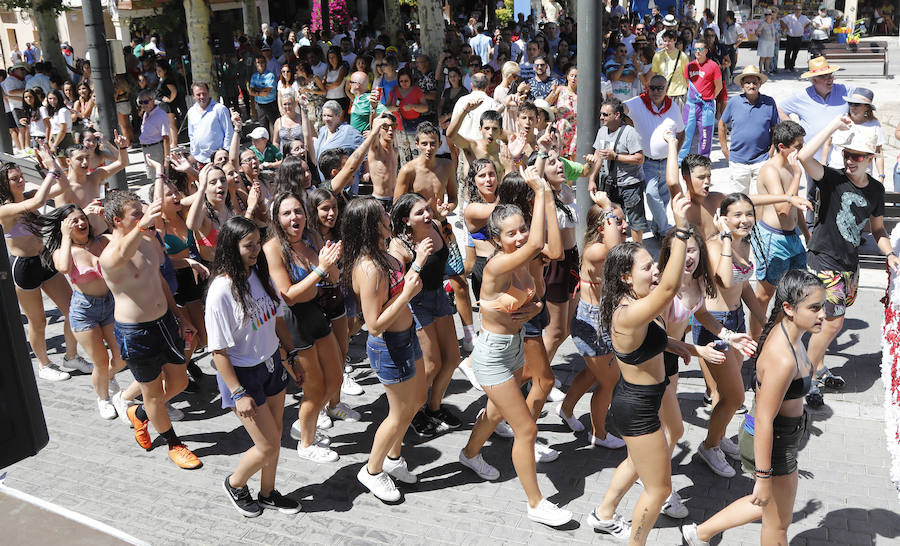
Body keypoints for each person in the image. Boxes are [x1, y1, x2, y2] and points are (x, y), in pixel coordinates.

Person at [458, 166, 573, 527]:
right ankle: (536, 503)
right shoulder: (497, 266)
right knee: (526, 429)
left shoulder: (525, 263)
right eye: (512, 233)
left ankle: (469, 453)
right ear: (496, 237)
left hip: (515, 348)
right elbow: (540, 248)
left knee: (494, 413)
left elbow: (540, 290)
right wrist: (541, 192)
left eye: (523, 229)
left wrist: (530, 309)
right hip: (491, 355)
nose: (521, 237)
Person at [683, 270, 826, 546]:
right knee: (776, 525)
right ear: (788, 308)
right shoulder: (782, 357)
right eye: (815, 307)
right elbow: (763, 420)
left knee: (771, 512)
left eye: (823, 306)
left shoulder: (789, 334)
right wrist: (762, 477)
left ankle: (699, 534)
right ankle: (699, 534)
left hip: (783, 438)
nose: (822, 314)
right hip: (774, 441)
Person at [587, 192, 691, 543]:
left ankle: (603, 514)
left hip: (651, 396)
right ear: (627, 279)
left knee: (647, 455)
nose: (655, 270)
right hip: (637, 407)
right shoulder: (629, 313)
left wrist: (693, 348)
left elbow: (658, 340)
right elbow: (672, 288)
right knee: (658, 489)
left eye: (652, 264)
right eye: (647, 267)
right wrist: (680, 230)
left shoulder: (638, 300)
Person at [797, 116, 900, 408]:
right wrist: (831, 127)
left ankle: (817, 367)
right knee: (832, 322)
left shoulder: (875, 190)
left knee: (826, 323)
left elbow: (877, 229)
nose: (850, 161)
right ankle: (807, 378)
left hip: (849, 266)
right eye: (846, 155)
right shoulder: (832, 179)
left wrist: (889, 253)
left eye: (856, 156)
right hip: (822, 259)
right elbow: (803, 156)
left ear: (869, 159)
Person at [208, 216, 302, 518]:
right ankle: (235, 483)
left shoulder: (258, 274)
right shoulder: (221, 291)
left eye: (257, 244)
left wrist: (292, 355)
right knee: (266, 445)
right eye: (248, 246)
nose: (255, 251)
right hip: (243, 375)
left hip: (273, 363)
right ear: (231, 248)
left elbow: (275, 320)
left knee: (276, 438)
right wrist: (237, 393)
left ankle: (268, 493)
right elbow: (218, 350)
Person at [101, 187, 201, 469]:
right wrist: (144, 226)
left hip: (165, 322)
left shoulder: (149, 241)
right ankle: (173, 443)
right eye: (136, 214)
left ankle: (140, 414)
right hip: (136, 333)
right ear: (117, 220)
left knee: (179, 382)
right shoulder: (109, 255)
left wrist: (179, 315)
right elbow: (120, 254)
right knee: (154, 393)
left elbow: (158, 280)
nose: (144, 217)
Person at [342, 197, 431, 501]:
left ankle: (393, 459)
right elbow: (374, 324)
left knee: (417, 399)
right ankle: (372, 470)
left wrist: (417, 264)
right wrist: (407, 294)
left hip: (406, 337)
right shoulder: (367, 268)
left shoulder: (386, 254)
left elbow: (399, 289)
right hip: (388, 346)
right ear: (370, 225)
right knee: (399, 412)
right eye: (382, 215)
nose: (389, 216)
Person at [264, 191, 350, 462]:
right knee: (313, 388)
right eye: (287, 213)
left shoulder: (311, 238)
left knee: (335, 379)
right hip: (292, 319)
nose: (294, 217)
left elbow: (332, 278)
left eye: (298, 211)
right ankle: (306, 442)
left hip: (315, 311)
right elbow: (287, 293)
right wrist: (321, 270)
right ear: (277, 219)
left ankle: (305, 423)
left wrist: (331, 266)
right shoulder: (273, 248)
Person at [692, 193, 767, 478]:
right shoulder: (714, 246)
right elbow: (723, 279)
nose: (745, 220)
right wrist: (724, 237)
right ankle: (709, 447)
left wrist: (764, 320)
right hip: (715, 324)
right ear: (723, 218)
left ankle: (717, 436)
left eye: (749, 214)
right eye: (737, 215)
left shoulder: (744, 244)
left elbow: (744, 287)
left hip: (736, 319)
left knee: (727, 393)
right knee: (735, 397)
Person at [1, 152, 90, 381]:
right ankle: (44, 365)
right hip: (24, 267)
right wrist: (50, 171)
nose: (21, 180)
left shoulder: (29, 195)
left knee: (72, 309)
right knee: (38, 321)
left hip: (45, 259)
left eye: (21, 176)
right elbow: (39, 202)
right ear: (3, 184)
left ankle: (71, 357)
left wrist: (51, 165)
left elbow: (63, 186)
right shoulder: (5, 209)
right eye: (15, 178)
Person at [557, 191, 628, 449]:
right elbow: (615, 249)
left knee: (593, 373)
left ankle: (565, 410)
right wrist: (608, 205)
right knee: (609, 381)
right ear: (603, 227)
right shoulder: (597, 250)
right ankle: (598, 433)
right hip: (591, 322)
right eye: (618, 221)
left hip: (601, 319)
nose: (625, 225)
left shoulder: (601, 247)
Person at [43, 202, 127, 418]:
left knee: (121, 357)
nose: (81, 223)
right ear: (65, 227)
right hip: (84, 312)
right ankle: (104, 398)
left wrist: (108, 218)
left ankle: (107, 379)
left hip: (109, 305)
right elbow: (63, 268)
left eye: (83, 218)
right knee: (100, 362)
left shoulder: (101, 241)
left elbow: (124, 239)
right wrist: (65, 235)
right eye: (74, 221)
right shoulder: (63, 252)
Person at [391, 193, 464, 434]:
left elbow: (450, 254)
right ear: (405, 220)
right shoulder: (398, 245)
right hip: (417, 302)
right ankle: (413, 412)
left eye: (427, 209)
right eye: (419, 212)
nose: (427, 215)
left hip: (439, 296)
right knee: (432, 364)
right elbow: (402, 284)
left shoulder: (434, 225)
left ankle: (434, 408)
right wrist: (419, 259)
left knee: (453, 359)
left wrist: (444, 223)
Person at [751, 121, 809, 340]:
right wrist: (796, 176)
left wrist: (807, 233)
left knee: (795, 294)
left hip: (793, 238)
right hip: (772, 240)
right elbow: (784, 209)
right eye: (798, 146)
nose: (801, 151)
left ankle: (775, 337)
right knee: (764, 296)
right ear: (783, 147)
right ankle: (756, 346)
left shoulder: (790, 168)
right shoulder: (771, 170)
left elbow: (796, 205)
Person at [778, 56, 852, 223]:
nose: (830, 79)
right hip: (813, 157)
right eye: (825, 76)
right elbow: (780, 108)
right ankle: (811, 227)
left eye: (831, 75)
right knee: (812, 195)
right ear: (814, 80)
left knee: (843, 195)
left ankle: (846, 230)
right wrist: (794, 130)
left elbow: (865, 98)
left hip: (841, 158)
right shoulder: (802, 96)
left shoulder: (844, 90)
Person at [623, 74, 685, 238]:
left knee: (664, 199)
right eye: (653, 88)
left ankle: (658, 229)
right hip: (646, 162)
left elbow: (681, 132)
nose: (656, 91)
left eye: (660, 88)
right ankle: (665, 229)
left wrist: (674, 153)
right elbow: (619, 109)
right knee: (651, 194)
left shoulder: (673, 107)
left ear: (666, 90)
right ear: (647, 88)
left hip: (667, 162)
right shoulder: (638, 103)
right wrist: (628, 125)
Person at [587, 98, 648, 243]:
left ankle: (637, 250)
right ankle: (616, 248)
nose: (601, 117)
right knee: (612, 218)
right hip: (610, 184)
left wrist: (616, 156)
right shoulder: (602, 131)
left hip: (630, 184)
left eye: (605, 114)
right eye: (601, 114)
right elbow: (598, 156)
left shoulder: (629, 133)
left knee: (635, 222)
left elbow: (640, 158)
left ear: (617, 115)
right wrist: (591, 179)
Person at [718, 66, 780, 194]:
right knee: (739, 201)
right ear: (742, 84)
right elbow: (722, 124)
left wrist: (771, 152)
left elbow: (775, 129)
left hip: (762, 159)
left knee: (763, 200)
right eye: (747, 82)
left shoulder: (769, 102)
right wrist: (725, 149)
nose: (751, 86)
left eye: (755, 83)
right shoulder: (734, 102)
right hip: (738, 161)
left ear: (760, 84)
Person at [824, 88, 886, 180]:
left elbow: (878, 152)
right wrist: (824, 166)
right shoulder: (840, 120)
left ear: (866, 107)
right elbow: (827, 144)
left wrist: (881, 176)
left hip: (862, 176)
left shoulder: (875, 124)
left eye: (856, 104)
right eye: (850, 103)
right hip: (836, 171)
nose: (852, 107)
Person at [679, 38, 722, 162]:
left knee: (705, 134)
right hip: (691, 105)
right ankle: (681, 160)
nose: (697, 52)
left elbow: (718, 86)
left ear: (706, 51)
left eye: (700, 49)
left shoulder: (713, 66)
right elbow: (687, 83)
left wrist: (710, 98)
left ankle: (704, 160)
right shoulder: (689, 66)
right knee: (686, 133)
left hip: (706, 106)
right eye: (695, 49)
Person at [447, 106, 506, 180]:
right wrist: (464, 111)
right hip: (471, 190)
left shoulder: (503, 153)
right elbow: (451, 135)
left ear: (500, 131)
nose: (490, 132)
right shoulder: (471, 146)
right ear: (480, 129)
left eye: (494, 129)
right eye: (487, 128)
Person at [187, 81, 234, 166]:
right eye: (198, 95)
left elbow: (229, 132)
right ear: (193, 96)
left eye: (204, 93)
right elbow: (191, 134)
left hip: (218, 158)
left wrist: (225, 152)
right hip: (200, 158)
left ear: (208, 93)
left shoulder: (220, 109)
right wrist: (193, 152)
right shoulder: (191, 112)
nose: (202, 97)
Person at [138, 89, 171, 180]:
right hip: (147, 150)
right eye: (141, 102)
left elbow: (166, 138)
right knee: (153, 179)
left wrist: (166, 160)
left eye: (146, 102)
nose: (143, 105)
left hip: (157, 150)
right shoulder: (146, 114)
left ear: (153, 100)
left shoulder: (161, 115)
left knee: (161, 179)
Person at [367, 112, 399, 209]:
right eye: (385, 126)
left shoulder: (395, 150)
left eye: (393, 126)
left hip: (394, 199)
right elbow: (373, 129)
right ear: (379, 129)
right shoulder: (376, 149)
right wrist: (373, 109)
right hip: (379, 200)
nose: (390, 130)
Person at [651, 30, 689, 107]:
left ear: (675, 41)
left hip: (678, 94)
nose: (667, 43)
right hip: (662, 94)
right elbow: (654, 74)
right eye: (665, 41)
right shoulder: (657, 56)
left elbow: (687, 76)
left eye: (669, 41)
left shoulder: (683, 56)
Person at [155, 61, 185, 143]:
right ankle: (171, 142)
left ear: (165, 71)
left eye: (159, 70)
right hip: (163, 105)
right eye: (157, 70)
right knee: (167, 125)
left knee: (171, 124)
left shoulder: (167, 80)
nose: (157, 72)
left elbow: (174, 91)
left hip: (168, 105)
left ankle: (174, 143)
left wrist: (170, 99)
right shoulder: (162, 80)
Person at [249, 55, 278, 135]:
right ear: (255, 64)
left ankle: (277, 145)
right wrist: (261, 91)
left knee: (275, 125)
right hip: (260, 105)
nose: (260, 64)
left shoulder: (270, 75)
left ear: (265, 63)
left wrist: (257, 89)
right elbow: (251, 91)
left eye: (262, 62)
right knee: (263, 127)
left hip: (270, 104)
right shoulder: (254, 76)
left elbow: (267, 92)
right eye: (258, 62)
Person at [781, 6, 811, 72]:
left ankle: (792, 66)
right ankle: (787, 67)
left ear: (801, 10)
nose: (798, 11)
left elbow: (809, 22)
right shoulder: (790, 16)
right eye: (796, 9)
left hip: (799, 37)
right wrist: (786, 27)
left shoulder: (804, 17)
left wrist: (805, 28)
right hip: (790, 37)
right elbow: (782, 21)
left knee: (795, 52)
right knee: (788, 52)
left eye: (799, 9)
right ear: (794, 10)